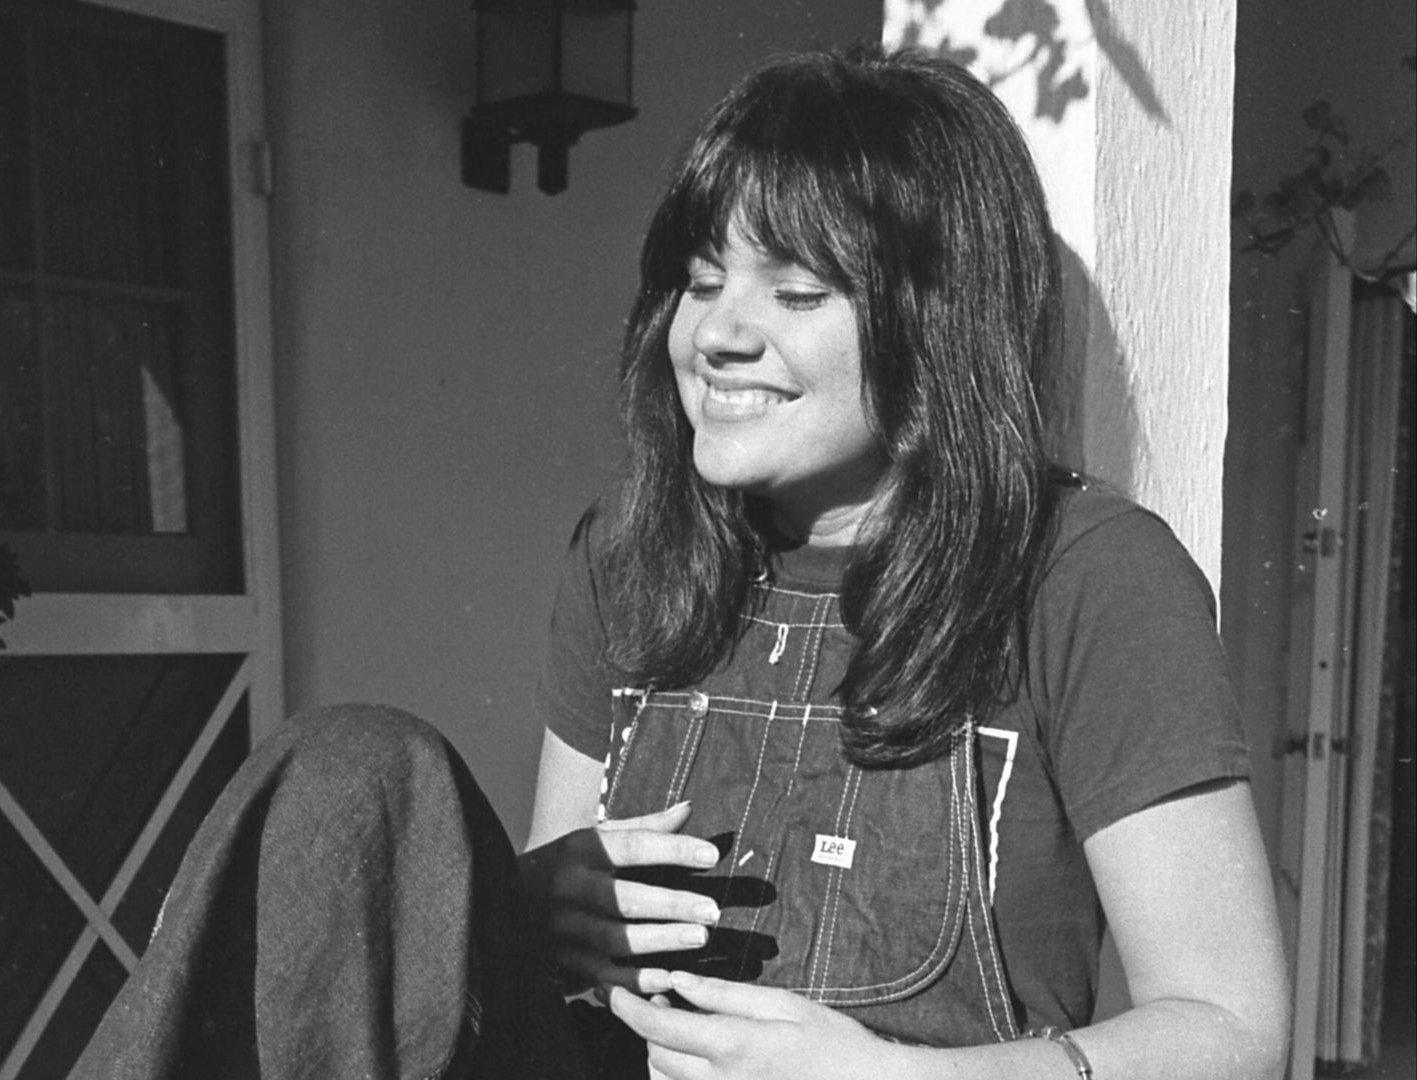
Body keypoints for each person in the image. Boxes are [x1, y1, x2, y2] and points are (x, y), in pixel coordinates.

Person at [71, 44, 1289, 1080]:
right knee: (353, 775)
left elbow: (1233, 1025)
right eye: (702, 281)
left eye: (795, 289)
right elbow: (558, 956)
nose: (716, 333)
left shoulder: (1087, 576)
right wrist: (534, 907)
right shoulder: (631, 555)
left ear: (940, 323)